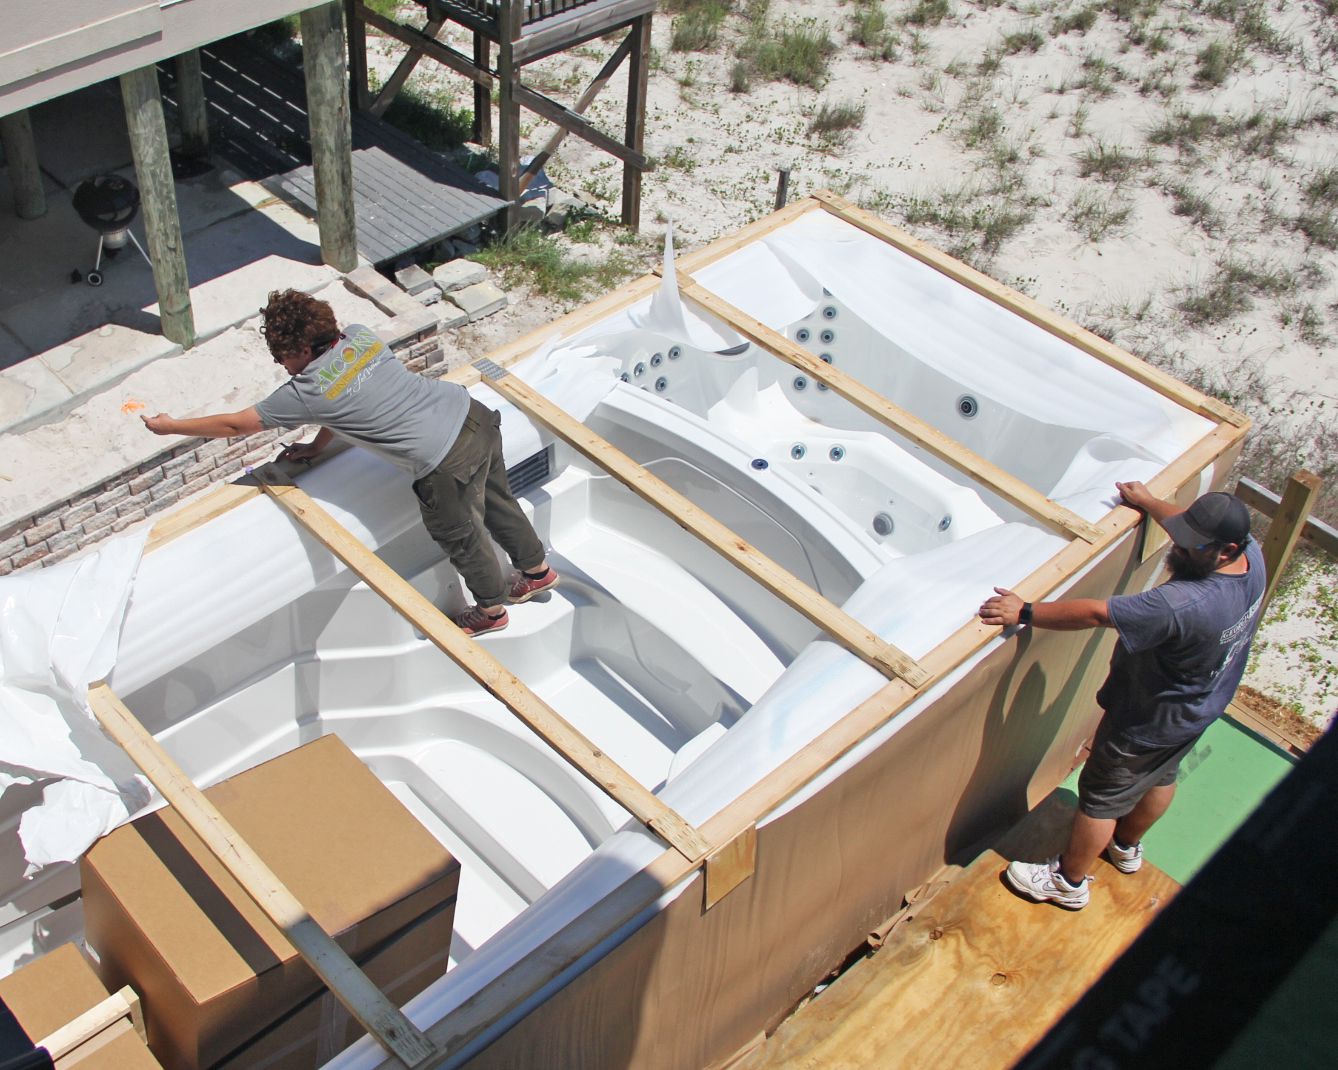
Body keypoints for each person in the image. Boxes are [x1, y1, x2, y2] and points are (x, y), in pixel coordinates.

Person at [142, 288, 557, 636]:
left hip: (443, 461)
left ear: (301, 349)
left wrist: (171, 426)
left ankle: (490, 612)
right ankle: (537, 572)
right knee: (500, 500)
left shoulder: (304, 390)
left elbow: (236, 425)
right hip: (472, 415)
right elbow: (351, 406)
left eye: (282, 357)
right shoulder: (360, 337)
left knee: (464, 537)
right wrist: (319, 447)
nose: (283, 367)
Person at [978, 482, 1265, 909]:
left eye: (1190, 546)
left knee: (1100, 801)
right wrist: (1150, 502)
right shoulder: (1252, 557)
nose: (1178, 548)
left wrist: (1026, 611)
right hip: (1198, 708)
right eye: (1181, 535)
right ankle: (1125, 847)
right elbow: (1188, 528)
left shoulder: (1182, 603)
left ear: (1223, 550)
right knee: (1162, 776)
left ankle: (1068, 882)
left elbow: (1096, 613)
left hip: (1146, 721)